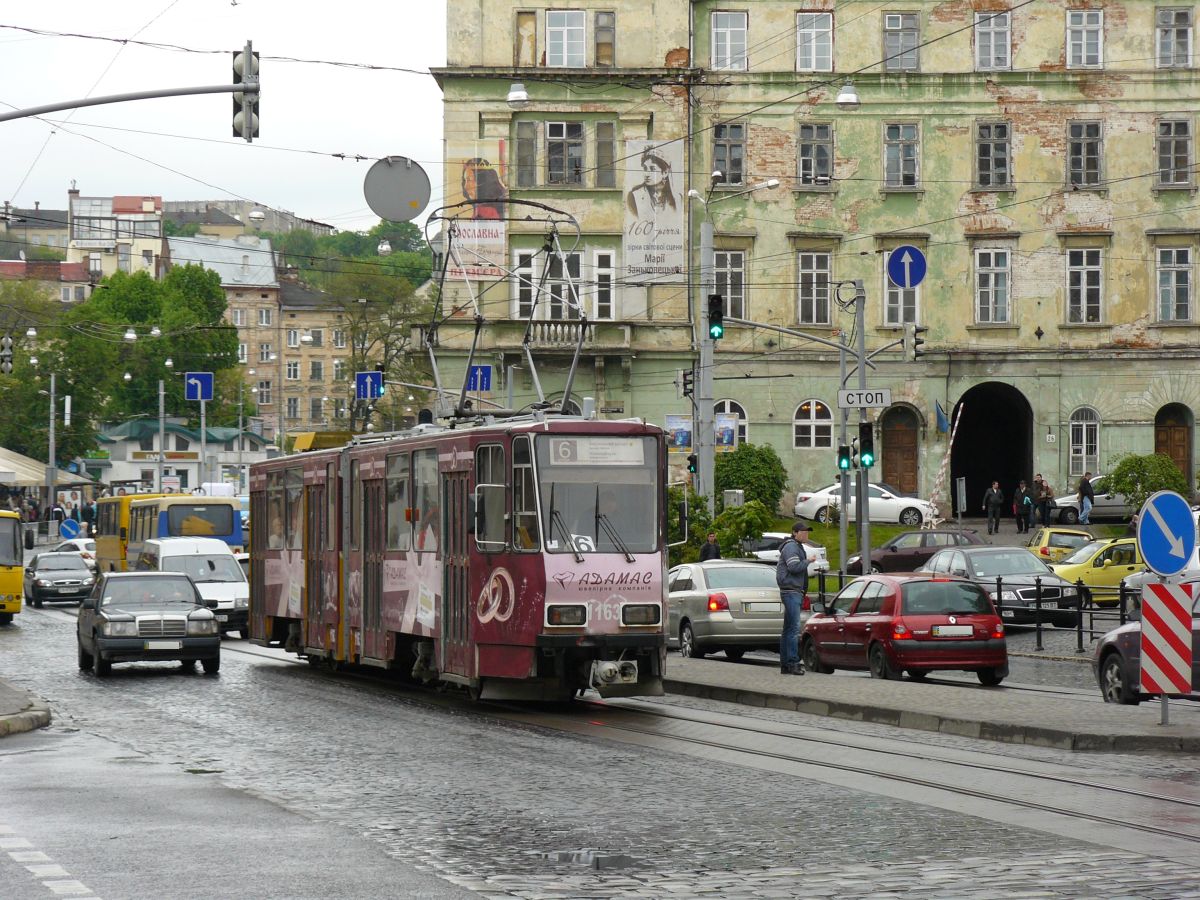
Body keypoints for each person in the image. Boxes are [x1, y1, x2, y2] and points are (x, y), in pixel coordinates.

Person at [775, 521, 810, 676]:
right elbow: (794, 567)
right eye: (803, 532)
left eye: (807, 532)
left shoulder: (796, 546)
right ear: (795, 533)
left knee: (788, 629)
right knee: (794, 629)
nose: (806, 534)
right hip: (791, 591)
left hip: (793, 591)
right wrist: (808, 561)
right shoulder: (791, 547)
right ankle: (792, 663)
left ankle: (786, 665)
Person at [626, 147, 678, 219]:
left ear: (665, 172)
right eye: (645, 168)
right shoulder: (635, 195)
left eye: (652, 169)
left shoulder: (677, 198)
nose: (647, 174)